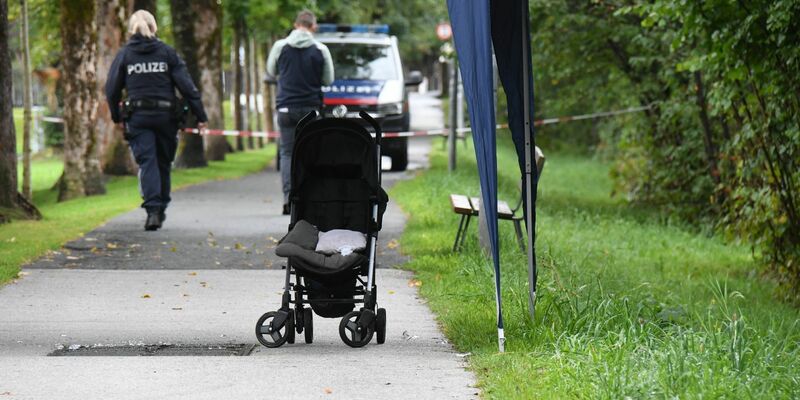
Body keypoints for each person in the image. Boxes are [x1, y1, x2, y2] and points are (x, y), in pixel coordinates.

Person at [105, 10, 208, 231]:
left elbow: (112, 89)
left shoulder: (125, 55)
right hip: (166, 118)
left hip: (139, 118)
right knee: (163, 162)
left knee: (148, 162)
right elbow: (187, 87)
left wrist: (117, 116)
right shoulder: (167, 53)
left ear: (131, 29)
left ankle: (152, 210)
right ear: (154, 28)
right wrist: (201, 116)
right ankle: (160, 208)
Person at [267, 10, 334, 215]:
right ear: (313, 27)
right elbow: (328, 80)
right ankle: (307, 200)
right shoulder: (320, 49)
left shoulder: (280, 46)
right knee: (310, 153)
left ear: (296, 25)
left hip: (286, 108)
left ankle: (288, 199)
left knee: (287, 153)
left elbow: (271, 71)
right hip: (311, 110)